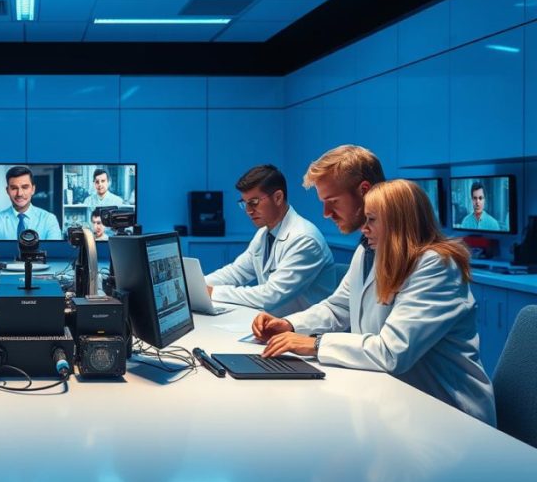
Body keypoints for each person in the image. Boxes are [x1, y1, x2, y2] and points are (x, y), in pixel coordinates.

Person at [253, 180, 495, 425]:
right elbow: (340, 306)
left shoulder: (436, 266)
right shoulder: (372, 253)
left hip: (449, 413)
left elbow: (392, 351)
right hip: (397, 398)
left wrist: (315, 344)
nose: (363, 229)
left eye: (372, 220)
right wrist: (289, 325)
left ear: (399, 222)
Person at [205, 165, 335, 316]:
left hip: (305, 333)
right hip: (278, 324)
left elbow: (271, 295)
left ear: (278, 197)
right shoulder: (263, 234)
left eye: (253, 202)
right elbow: (237, 272)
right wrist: (197, 286)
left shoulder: (304, 239)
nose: (248, 211)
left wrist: (213, 292)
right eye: (245, 203)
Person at [0, 166, 61, 240]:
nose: (19, 193)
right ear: (7, 191)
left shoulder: (49, 220)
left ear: (33, 189)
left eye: (25, 187)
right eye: (14, 188)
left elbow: (55, 253)